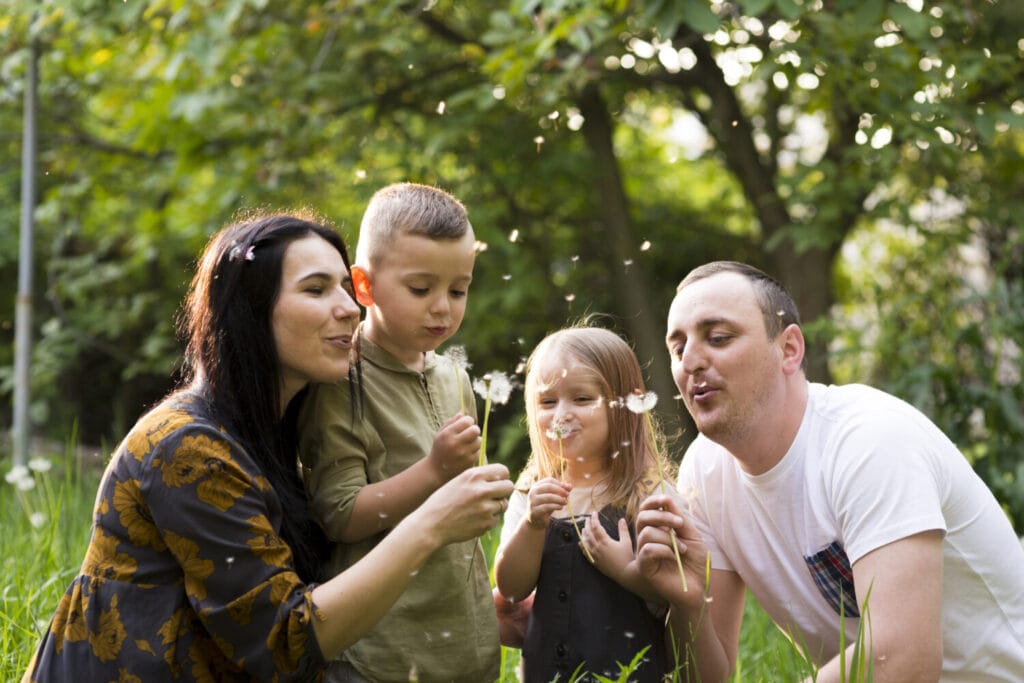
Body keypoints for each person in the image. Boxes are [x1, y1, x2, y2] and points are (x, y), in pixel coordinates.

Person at [22, 212, 513, 683]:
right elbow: (285, 644)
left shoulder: (281, 430)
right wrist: (431, 524)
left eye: (346, 287)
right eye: (316, 289)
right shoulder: (187, 448)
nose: (348, 306)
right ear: (252, 313)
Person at [635, 260, 1024, 682]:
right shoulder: (706, 471)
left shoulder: (869, 440)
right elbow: (712, 675)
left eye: (718, 337)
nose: (690, 360)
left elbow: (904, 660)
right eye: (677, 348)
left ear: (789, 350)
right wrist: (688, 607)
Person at [297, 183, 495, 683]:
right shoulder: (343, 380)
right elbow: (339, 515)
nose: (443, 309)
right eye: (420, 289)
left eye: (458, 289)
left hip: (463, 641)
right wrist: (434, 471)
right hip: (380, 651)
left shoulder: (455, 376)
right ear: (363, 287)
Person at [494, 325, 679, 683]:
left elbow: (677, 595)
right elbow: (512, 589)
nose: (561, 414)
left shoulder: (648, 492)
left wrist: (629, 572)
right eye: (547, 402)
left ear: (626, 404)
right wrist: (533, 526)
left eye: (581, 399)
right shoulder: (533, 493)